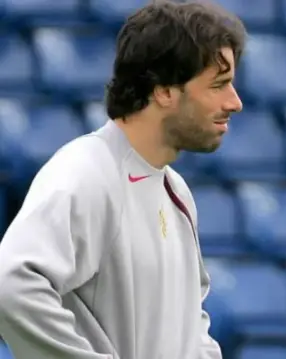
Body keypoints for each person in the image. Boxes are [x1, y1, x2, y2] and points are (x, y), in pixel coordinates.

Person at [0, 1, 245, 358]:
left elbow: (191, 326)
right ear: (163, 91)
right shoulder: (85, 172)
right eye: (218, 85)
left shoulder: (176, 192)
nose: (234, 102)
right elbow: (11, 284)